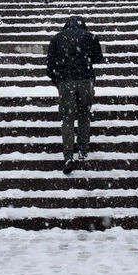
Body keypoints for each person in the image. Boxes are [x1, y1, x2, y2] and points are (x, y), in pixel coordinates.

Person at [46, 16, 105, 174]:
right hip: (85, 80)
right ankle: (83, 148)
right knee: (84, 113)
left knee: (68, 118)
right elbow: (99, 59)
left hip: (66, 81)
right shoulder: (90, 37)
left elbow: (50, 66)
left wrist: (58, 81)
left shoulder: (57, 38)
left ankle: (68, 154)